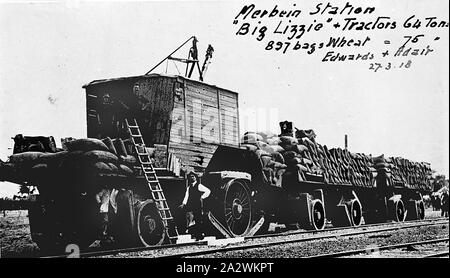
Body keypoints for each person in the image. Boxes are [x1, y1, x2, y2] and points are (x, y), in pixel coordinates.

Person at [178, 172, 211, 239]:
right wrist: (183, 204)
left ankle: (199, 235)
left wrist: (202, 197)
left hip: (198, 205)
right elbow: (186, 196)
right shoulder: (189, 187)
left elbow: (208, 191)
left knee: (198, 219)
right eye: (191, 177)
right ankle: (193, 234)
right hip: (191, 205)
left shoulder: (199, 185)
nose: (192, 178)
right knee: (190, 218)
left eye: (193, 176)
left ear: (195, 177)